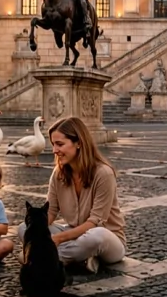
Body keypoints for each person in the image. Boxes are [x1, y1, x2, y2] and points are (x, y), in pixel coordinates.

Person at [17, 116, 125, 274]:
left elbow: (95, 222)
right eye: (53, 144)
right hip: (74, 234)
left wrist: (58, 239)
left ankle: (42, 259)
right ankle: (80, 260)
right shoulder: (58, 173)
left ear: (79, 143)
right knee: (24, 228)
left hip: (107, 238)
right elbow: (51, 212)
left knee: (96, 236)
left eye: (60, 144)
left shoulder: (104, 174)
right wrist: (39, 230)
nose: (54, 150)